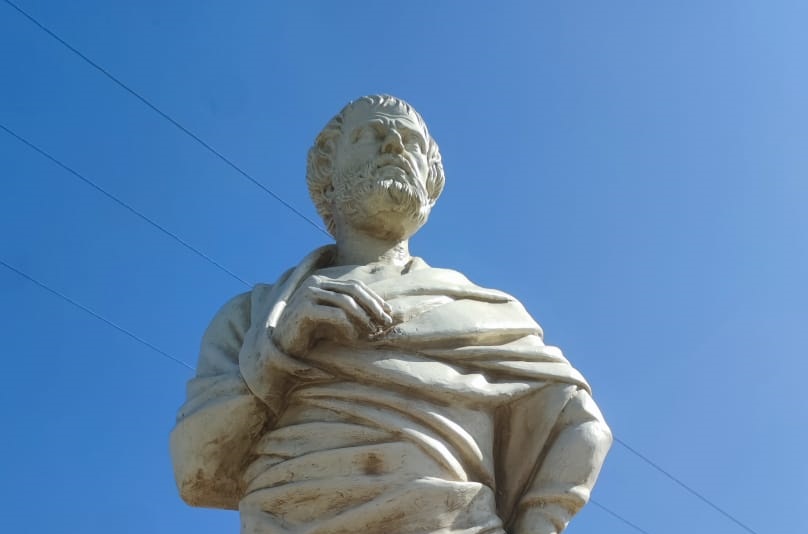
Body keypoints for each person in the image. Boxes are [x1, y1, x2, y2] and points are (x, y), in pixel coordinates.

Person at [170, 95, 612, 534]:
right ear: (326, 172)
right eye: (372, 133)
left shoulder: (487, 314)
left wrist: (540, 521)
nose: (395, 146)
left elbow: (580, 424)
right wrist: (276, 354)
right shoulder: (253, 317)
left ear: (431, 181)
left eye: (412, 142)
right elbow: (196, 472)